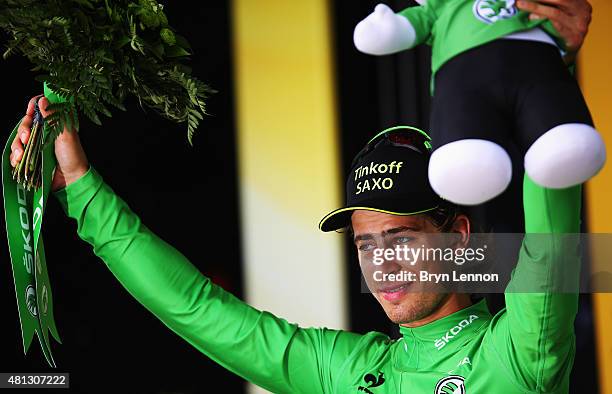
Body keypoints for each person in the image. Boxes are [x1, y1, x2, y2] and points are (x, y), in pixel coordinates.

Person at [7, 1, 593, 392]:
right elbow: (199, 311)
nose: (381, 263)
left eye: (402, 238)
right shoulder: (352, 371)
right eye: (366, 244)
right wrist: (79, 186)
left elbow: (551, 246)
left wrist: (543, 69)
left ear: (458, 237)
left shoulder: (516, 352)